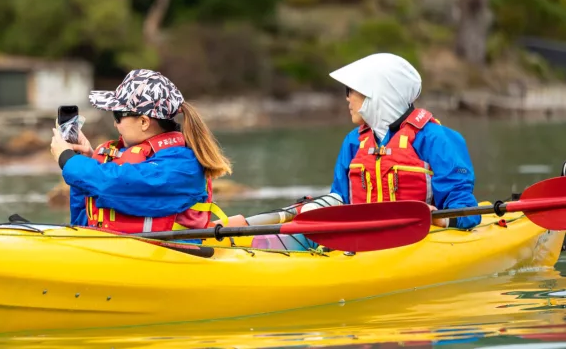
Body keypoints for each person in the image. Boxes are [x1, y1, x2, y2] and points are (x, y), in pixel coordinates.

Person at [249, 53, 481, 251]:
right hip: (362, 243)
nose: (347, 98)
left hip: (419, 242)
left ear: (378, 94)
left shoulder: (437, 139)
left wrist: (439, 220)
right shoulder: (353, 142)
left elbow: (468, 213)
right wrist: (313, 210)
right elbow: (342, 197)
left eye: (352, 90)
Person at [49, 69, 231, 234]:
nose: (115, 124)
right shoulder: (128, 161)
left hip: (170, 259)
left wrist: (68, 160)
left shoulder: (182, 167)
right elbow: (83, 225)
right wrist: (87, 159)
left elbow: (115, 184)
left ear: (144, 122)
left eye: (118, 116)